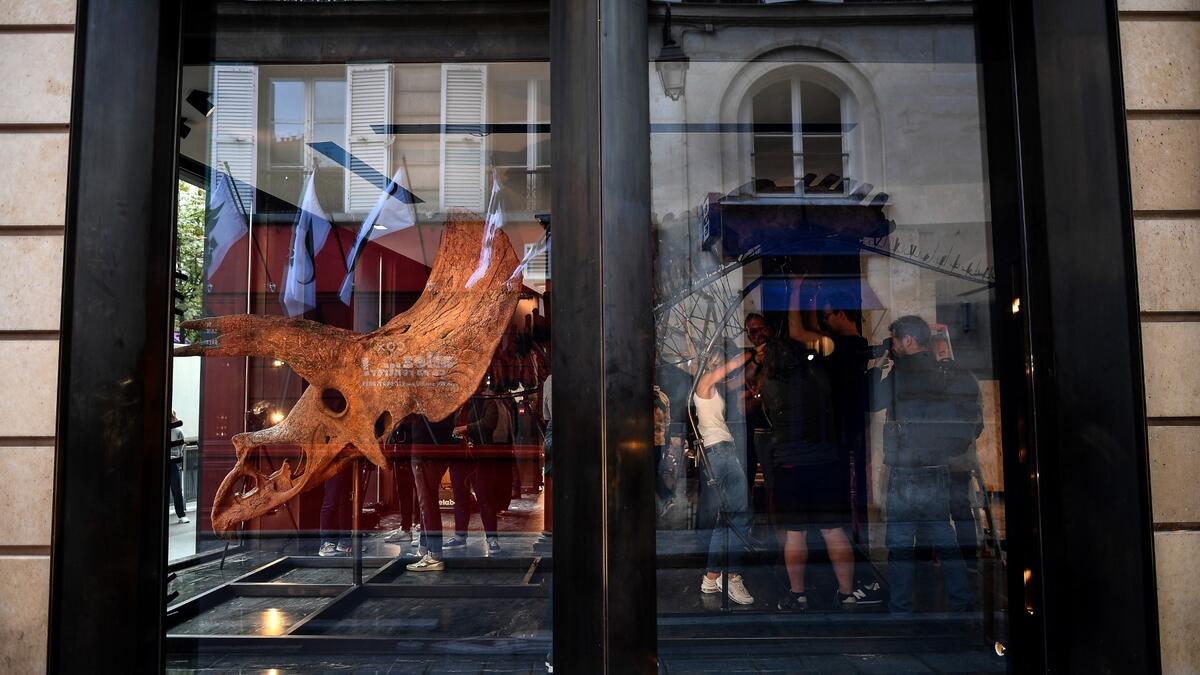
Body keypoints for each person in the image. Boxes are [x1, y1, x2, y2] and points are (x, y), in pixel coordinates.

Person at [869, 315, 982, 613]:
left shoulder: (901, 373)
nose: (892, 346)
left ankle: (902, 608)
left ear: (907, 340)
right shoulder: (942, 371)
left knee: (901, 543)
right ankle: (962, 601)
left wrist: (880, 363)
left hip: (906, 469)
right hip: (936, 466)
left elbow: (870, 400)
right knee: (944, 537)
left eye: (894, 341)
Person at [763, 279, 858, 611]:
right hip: (825, 461)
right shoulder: (819, 375)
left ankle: (798, 594)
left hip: (790, 466)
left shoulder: (770, 388)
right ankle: (847, 594)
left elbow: (794, 334)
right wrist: (803, 295)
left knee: (794, 535)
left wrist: (797, 294)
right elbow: (800, 334)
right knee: (834, 531)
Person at [693, 340, 760, 605]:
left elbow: (738, 378)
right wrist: (749, 352)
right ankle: (732, 577)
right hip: (719, 453)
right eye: (718, 359)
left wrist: (755, 362)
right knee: (741, 515)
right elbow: (733, 366)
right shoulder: (705, 381)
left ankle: (711, 577)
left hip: (721, 453)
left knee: (727, 519)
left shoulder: (712, 386)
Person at [168, 411, 188, 524]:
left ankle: (181, 515)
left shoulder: (177, 431)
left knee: (176, 489)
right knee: (176, 489)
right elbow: (180, 448)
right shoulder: (178, 431)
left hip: (172, 462)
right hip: (173, 462)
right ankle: (181, 515)